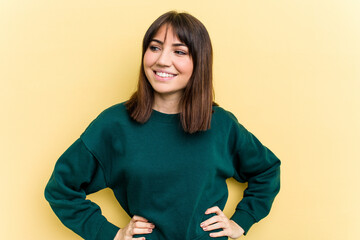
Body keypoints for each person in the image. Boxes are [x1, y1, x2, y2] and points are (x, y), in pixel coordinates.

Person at [44, 11, 281, 240]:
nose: (162, 60)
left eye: (179, 51)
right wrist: (111, 234)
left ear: (199, 61)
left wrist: (241, 221)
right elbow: (61, 189)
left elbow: (267, 170)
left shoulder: (221, 124)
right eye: (155, 47)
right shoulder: (113, 124)